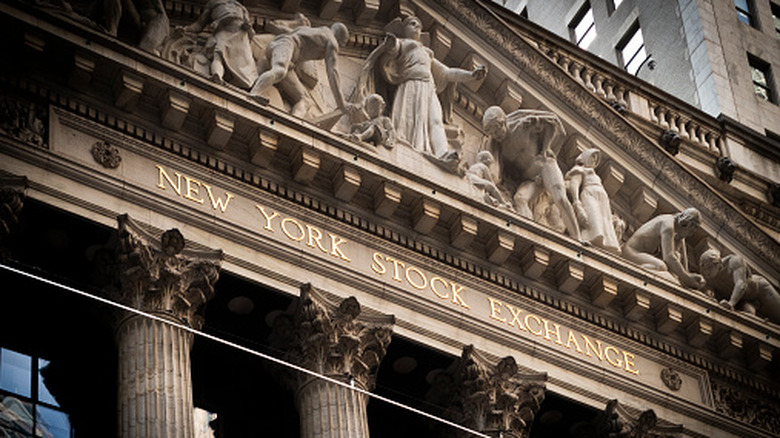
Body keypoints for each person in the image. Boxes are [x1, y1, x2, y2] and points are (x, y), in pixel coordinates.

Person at [355, 16, 486, 164]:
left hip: (429, 88)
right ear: (404, 29)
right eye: (412, 24)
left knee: (436, 120)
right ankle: (405, 144)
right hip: (412, 85)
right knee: (408, 119)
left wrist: (471, 75)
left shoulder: (427, 53)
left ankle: (442, 152)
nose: (417, 26)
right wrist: (390, 44)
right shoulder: (404, 43)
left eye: (419, 25)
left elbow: (447, 73)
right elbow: (393, 48)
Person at [482, 106, 582, 242]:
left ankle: (578, 238)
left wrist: (547, 148)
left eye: (497, 132)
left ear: (502, 122)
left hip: (544, 166)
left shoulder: (522, 124)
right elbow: (495, 169)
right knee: (520, 199)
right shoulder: (495, 143)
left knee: (560, 198)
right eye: (493, 134)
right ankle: (529, 237)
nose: (497, 137)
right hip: (529, 179)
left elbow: (553, 123)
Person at [248, 21, 355, 118]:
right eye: (341, 45)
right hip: (285, 46)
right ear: (339, 39)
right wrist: (342, 103)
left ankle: (292, 122)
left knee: (305, 99)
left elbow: (284, 30)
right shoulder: (331, 41)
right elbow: (333, 72)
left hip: (281, 50)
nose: (338, 48)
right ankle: (254, 93)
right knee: (280, 71)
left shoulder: (311, 30)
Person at [622, 208, 705, 289]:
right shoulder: (668, 225)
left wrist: (688, 278)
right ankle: (637, 274)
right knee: (661, 266)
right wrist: (687, 278)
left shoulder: (678, 232)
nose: (689, 235)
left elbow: (680, 262)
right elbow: (668, 256)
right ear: (685, 223)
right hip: (631, 252)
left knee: (674, 258)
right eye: (690, 231)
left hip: (644, 256)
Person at [183, 0, 257, 89]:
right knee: (218, 55)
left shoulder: (241, 7)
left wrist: (248, 27)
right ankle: (217, 75)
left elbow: (251, 32)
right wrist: (185, 29)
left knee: (246, 63)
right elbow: (199, 25)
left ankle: (249, 85)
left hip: (240, 39)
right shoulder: (213, 4)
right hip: (223, 34)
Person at [699, 248, 780, 324]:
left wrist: (731, 304)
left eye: (709, 268)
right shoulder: (710, 276)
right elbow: (708, 286)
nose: (706, 273)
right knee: (749, 322)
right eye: (704, 270)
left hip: (759, 290)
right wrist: (709, 291)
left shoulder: (734, 261)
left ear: (718, 263)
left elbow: (740, 284)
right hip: (743, 300)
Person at [565, 148, 620, 253]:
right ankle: (590, 238)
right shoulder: (580, 169)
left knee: (604, 220)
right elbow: (574, 184)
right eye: (592, 157)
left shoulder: (595, 174)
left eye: (595, 159)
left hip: (602, 198)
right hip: (589, 193)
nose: (594, 161)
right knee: (593, 215)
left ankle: (606, 244)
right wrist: (576, 202)